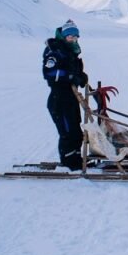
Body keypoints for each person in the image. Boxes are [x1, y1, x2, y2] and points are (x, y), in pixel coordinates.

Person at [41, 19, 89, 170]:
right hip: (59, 98)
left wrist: (80, 77)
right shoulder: (54, 51)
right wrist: (69, 76)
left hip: (70, 97)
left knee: (76, 130)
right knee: (67, 132)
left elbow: (75, 71)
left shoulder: (71, 51)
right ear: (64, 36)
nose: (73, 39)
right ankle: (69, 162)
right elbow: (49, 72)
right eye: (70, 36)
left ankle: (76, 158)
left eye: (75, 37)